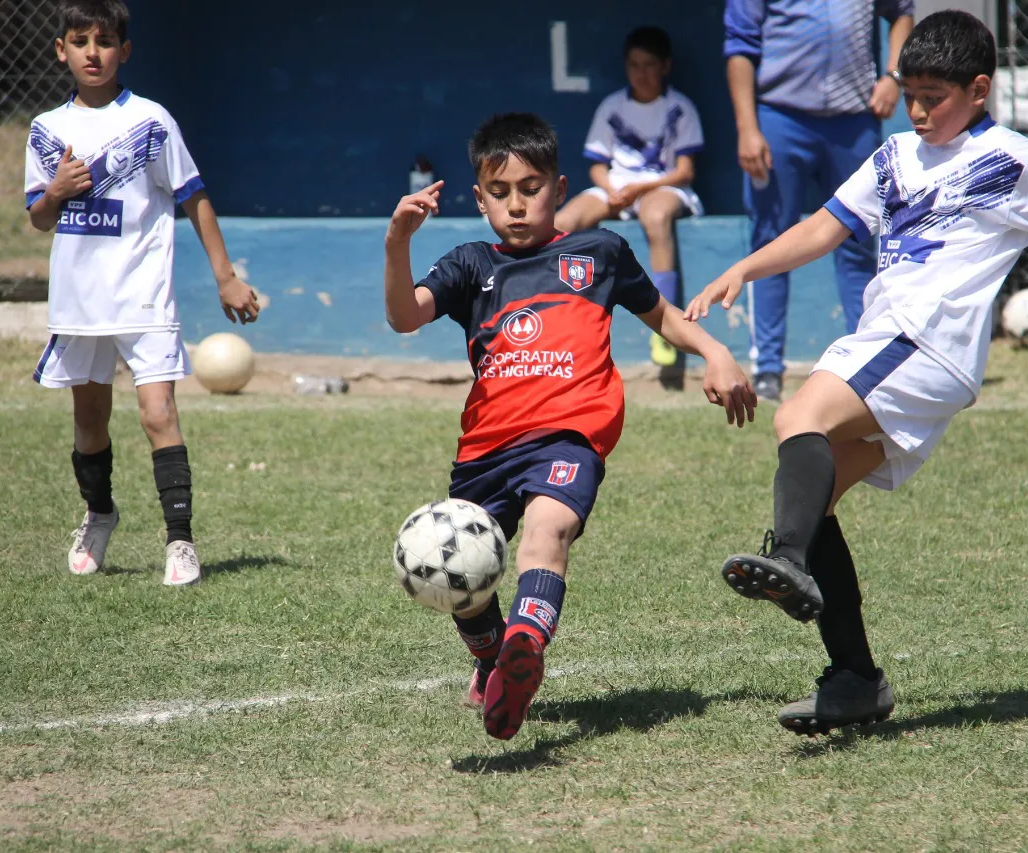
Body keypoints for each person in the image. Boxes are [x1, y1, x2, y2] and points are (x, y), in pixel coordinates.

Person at [686, 10, 1028, 735]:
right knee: (815, 488)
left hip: (924, 341)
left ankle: (788, 560)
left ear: (979, 89)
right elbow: (826, 226)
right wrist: (746, 265)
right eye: (910, 93)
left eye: (934, 96)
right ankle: (856, 678)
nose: (919, 110)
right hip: (901, 344)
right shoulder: (893, 156)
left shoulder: (1009, 159)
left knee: (798, 419)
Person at [385, 113, 755, 740]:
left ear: (558, 190)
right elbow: (403, 316)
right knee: (463, 573)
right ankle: (491, 657)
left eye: (530, 189)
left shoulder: (599, 251)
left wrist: (715, 352)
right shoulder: (472, 264)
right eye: (499, 193)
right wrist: (398, 243)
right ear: (479, 199)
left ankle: (525, 648)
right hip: (484, 450)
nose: (516, 205)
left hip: (568, 435)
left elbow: (661, 314)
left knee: (546, 530)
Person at [24, 0, 260, 586]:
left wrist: (224, 274)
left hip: (143, 296)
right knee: (90, 420)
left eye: (104, 41)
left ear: (124, 51)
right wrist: (55, 190)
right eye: (80, 41)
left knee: (159, 413)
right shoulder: (47, 130)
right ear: (62, 50)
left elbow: (193, 196)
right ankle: (99, 513)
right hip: (80, 304)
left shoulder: (151, 122)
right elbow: (38, 217)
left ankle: (180, 542)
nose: (92, 52)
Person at [725, 0, 915, 401]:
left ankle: (865, 362)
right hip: (780, 116)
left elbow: (902, 11)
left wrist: (894, 76)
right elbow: (739, 47)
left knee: (858, 243)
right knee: (771, 243)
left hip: (853, 120)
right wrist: (746, 127)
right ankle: (768, 369)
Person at [555, 26, 704, 374]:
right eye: (634, 65)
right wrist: (611, 190)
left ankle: (665, 329)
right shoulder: (612, 106)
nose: (641, 73)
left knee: (654, 216)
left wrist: (639, 190)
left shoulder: (680, 107)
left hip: (664, 188)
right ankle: (554, 311)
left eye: (649, 64)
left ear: (665, 66)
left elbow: (685, 171)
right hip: (617, 188)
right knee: (563, 222)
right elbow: (597, 166)